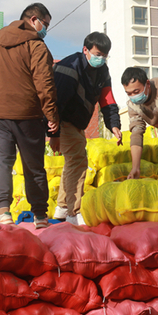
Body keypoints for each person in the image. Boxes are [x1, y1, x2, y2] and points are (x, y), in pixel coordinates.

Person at [0, 3, 59, 229]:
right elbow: (44, 83)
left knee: (0, 163)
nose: (45, 29)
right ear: (33, 19)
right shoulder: (36, 45)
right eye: (45, 24)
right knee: (33, 166)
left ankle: (3, 213)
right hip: (27, 114)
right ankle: (40, 216)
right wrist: (52, 114)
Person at [49, 32, 122, 223]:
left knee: (73, 162)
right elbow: (55, 104)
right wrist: (53, 133)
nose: (101, 59)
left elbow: (107, 99)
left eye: (104, 55)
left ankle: (63, 207)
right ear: (85, 50)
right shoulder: (69, 67)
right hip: (62, 120)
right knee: (78, 161)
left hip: (77, 123)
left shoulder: (102, 71)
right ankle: (74, 211)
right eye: (97, 54)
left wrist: (113, 124)